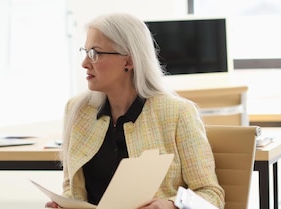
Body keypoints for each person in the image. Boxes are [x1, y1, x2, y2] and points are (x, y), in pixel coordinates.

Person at [45, 13, 225, 209]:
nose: (85, 63)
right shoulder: (77, 110)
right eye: (85, 52)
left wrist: (171, 205)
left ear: (128, 62)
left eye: (95, 53)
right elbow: (72, 188)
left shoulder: (178, 113)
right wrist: (63, 204)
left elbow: (211, 195)